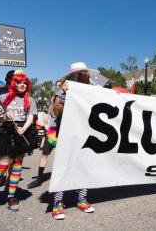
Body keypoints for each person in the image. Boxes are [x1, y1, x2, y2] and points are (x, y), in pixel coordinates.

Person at [0, 70, 37, 214]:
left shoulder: (30, 99)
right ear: (13, 83)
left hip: (22, 132)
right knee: (3, 165)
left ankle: (11, 196)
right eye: (19, 82)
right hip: (6, 131)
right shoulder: (3, 96)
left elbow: (30, 116)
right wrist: (5, 116)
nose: (22, 85)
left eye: (25, 82)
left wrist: (24, 128)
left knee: (17, 164)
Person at [50, 62, 97, 220]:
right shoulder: (63, 88)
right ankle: (57, 203)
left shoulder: (92, 90)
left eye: (86, 72)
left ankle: (81, 200)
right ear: (76, 75)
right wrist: (64, 94)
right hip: (66, 134)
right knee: (62, 167)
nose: (87, 75)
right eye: (84, 73)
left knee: (84, 167)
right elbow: (57, 111)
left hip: (85, 134)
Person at [27, 81, 62, 189]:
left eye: (61, 85)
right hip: (53, 130)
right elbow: (53, 113)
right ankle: (39, 178)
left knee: (63, 156)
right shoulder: (54, 98)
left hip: (65, 130)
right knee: (44, 154)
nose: (59, 87)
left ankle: (63, 179)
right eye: (57, 86)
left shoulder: (70, 98)